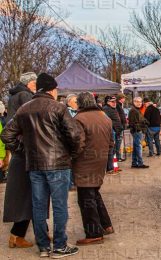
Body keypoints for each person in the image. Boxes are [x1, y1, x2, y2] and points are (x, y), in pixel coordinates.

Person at [1, 73, 81, 258]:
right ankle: (60, 246)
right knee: (59, 206)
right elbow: (75, 135)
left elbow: (6, 135)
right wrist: (71, 154)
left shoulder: (24, 109)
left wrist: (23, 151)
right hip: (58, 164)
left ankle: (44, 247)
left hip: (35, 165)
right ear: (52, 90)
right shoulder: (59, 107)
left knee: (38, 205)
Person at [73, 92, 114, 245]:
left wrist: (70, 157)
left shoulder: (79, 119)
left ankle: (94, 233)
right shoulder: (105, 117)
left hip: (85, 163)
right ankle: (106, 225)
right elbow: (111, 142)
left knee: (86, 198)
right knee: (94, 193)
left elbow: (78, 144)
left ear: (80, 104)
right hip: (100, 161)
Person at [2, 72, 37, 249]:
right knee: (30, 195)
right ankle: (18, 235)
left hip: (19, 152)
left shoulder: (14, 96)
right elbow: (30, 121)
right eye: (35, 82)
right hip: (25, 152)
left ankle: (18, 235)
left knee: (25, 195)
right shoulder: (26, 96)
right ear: (30, 83)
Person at [103, 96, 123, 174]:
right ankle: (110, 168)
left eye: (115, 102)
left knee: (114, 150)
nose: (114, 103)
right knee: (111, 150)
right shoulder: (106, 109)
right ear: (108, 102)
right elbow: (107, 121)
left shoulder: (112, 108)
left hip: (116, 131)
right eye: (112, 102)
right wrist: (114, 129)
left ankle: (113, 166)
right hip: (112, 132)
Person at [128, 97, 149, 169]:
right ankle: (140, 163)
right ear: (134, 102)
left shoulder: (137, 110)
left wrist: (145, 122)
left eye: (140, 102)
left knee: (136, 147)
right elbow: (133, 123)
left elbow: (141, 119)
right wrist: (141, 129)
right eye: (137, 102)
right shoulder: (133, 111)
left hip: (138, 131)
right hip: (137, 131)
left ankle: (134, 163)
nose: (139, 103)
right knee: (139, 147)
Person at [115, 93, 127, 161]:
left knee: (119, 142)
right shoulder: (117, 105)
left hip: (121, 125)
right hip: (119, 126)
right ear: (120, 99)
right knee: (118, 142)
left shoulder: (119, 105)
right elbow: (119, 116)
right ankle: (118, 157)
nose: (124, 99)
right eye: (124, 98)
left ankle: (119, 156)